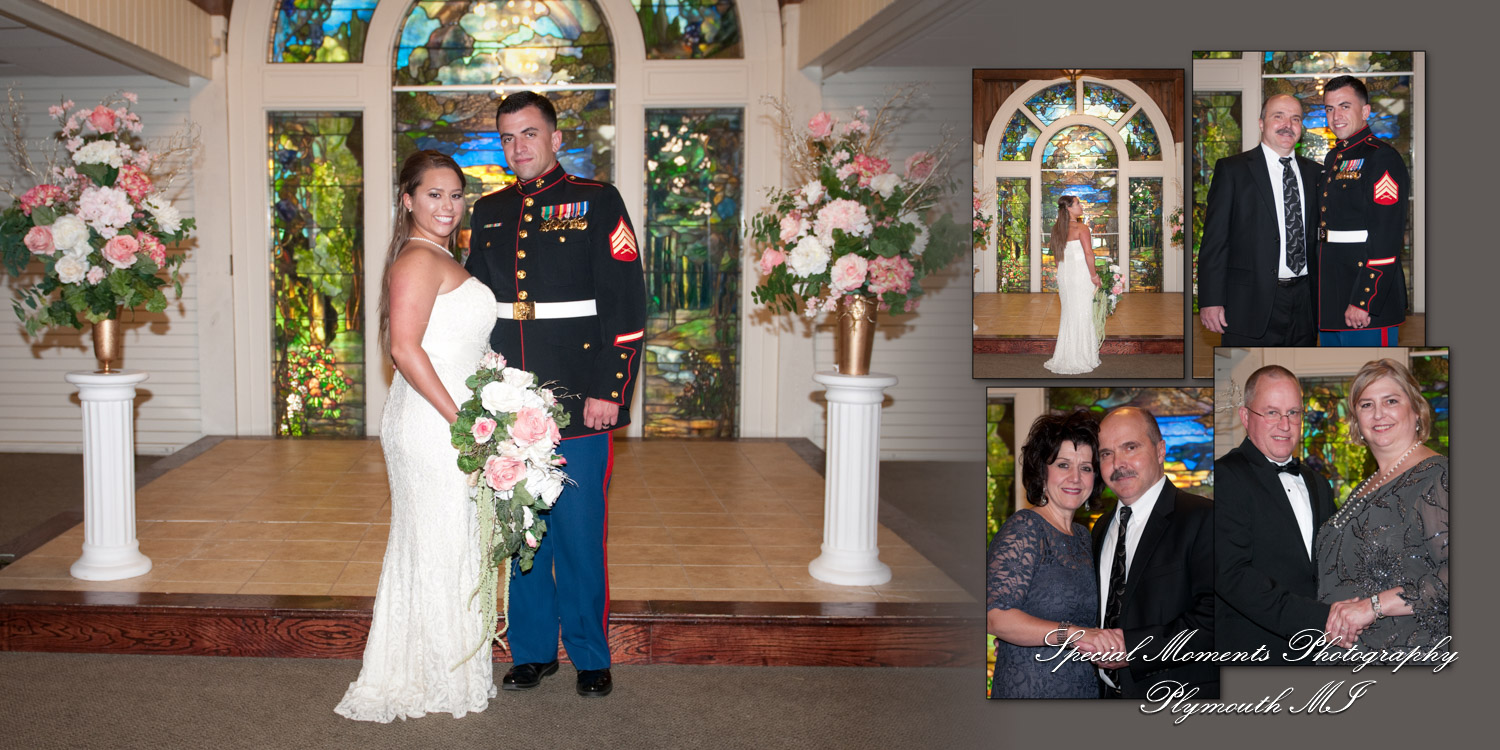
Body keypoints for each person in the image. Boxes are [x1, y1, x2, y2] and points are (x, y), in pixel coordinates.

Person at [465, 91, 646, 698]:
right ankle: (535, 651)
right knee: (523, 535)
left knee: (577, 532)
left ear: (555, 137)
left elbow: (625, 305)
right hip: (510, 404)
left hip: (580, 398)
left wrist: (610, 390)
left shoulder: (598, 202)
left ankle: (591, 656)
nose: (519, 147)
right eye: (509, 138)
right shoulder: (488, 212)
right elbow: (474, 309)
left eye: (530, 134)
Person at [336, 151, 497, 721]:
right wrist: (463, 422)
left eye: (456, 195)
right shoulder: (417, 260)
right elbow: (403, 349)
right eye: (434, 195)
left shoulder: (436, 255)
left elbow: (449, 340)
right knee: (438, 542)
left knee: (446, 542)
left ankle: (437, 667)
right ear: (408, 199)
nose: (448, 206)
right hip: (435, 424)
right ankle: (429, 673)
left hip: (445, 412)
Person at [1317, 359, 1447, 654]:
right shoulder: (1364, 486)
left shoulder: (1439, 476)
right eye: (1366, 405)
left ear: (1416, 411)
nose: (1378, 414)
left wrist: (1373, 606)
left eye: (1391, 401)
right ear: (1356, 420)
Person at [987, 411, 1119, 699]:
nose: (1075, 478)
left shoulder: (1086, 537)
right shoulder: (1025, 528)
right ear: (1042, 471)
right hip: (1031, 688)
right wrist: (1075, 634)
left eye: (1086, 467)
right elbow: (996, 618)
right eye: (1063, 465)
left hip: (1082, 686)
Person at [1214, 365, 1336, 663]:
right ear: (1245, 417)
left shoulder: (1317, 482)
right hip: (1257, 653)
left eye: (1293, 413)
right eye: (1271, 412)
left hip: (1323, 653)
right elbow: (1232, 575)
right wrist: (1323, 619)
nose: (1285, 424)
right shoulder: (1225, 477)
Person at [1092, 407, 1216, 698]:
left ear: (1160, 450)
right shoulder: (1100, 529)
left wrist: (1133, 649)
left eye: (1130, 447)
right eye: (1106, 454)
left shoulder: (1203, 518)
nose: (1117, 464)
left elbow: (1215, 619)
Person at [1198, 94, 1322, 346]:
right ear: (1261, 123)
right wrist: (1211, 299)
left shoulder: (1316, 173)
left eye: (1295, 118)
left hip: (1305, 303)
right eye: (1279, 116)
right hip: (1249, 302)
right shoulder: (1233, 170)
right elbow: (1215, 240)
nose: (1288, 124)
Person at [1316, 76, 1410, 346]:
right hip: (1332, 294)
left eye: (1345, 106)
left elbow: (1387, 237)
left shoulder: (1381, 157)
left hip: (1365, 298)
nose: (1336, 116)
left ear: (1365, 111)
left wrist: (1364, 299)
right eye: (1330, 109)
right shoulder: (1335, 157)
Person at [1043, 196, 1102, 375]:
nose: (1081, 206)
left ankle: (1067, 354)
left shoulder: (1056, 229)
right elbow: (1089, 254)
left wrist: (1062, 274)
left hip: (1065, 275)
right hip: (1080, 275)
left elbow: (1057, 257)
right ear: (1069, 208)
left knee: (1069, 314)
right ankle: (1082, 356)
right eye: (1077, 204)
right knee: (1083, 313)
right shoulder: (1082, 228)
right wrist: (1094, 276)